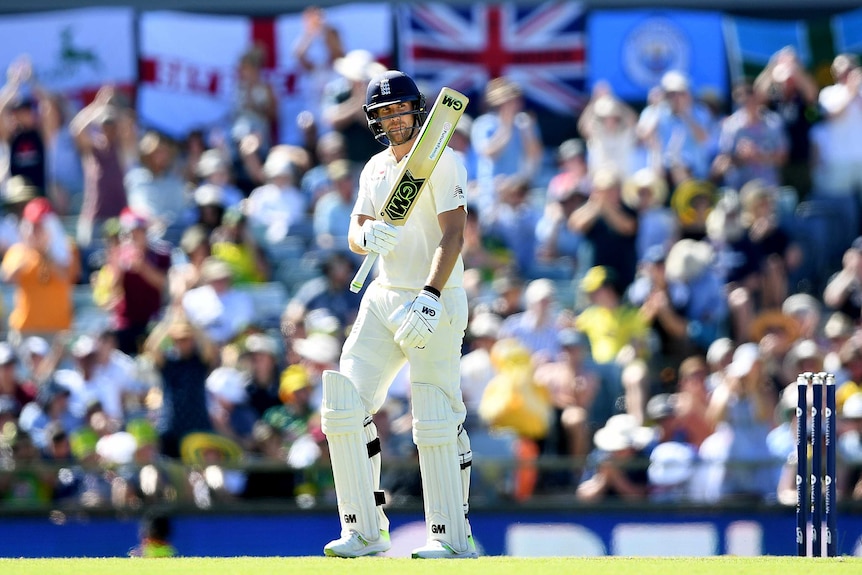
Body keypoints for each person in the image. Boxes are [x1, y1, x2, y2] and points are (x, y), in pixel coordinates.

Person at [320, 70, 477, 559]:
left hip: (435, 299)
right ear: (375, 120)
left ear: (417, 111)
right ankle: (364, 530)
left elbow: (454, 234)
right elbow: (355, 227)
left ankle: (452, 537)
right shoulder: (374, 169)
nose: (394, 119)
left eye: (401, 110)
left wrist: (431, 293)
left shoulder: (443, 160)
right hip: (383, 295)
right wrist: (365, 238)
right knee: (344, 405)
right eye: (384, 113)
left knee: (433, 414)